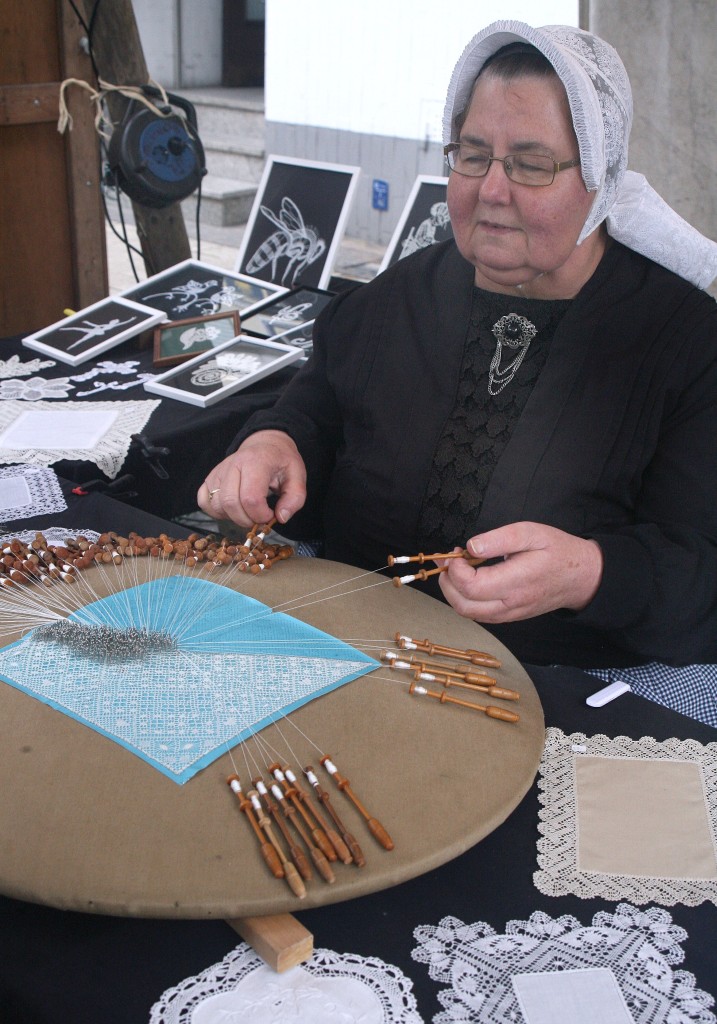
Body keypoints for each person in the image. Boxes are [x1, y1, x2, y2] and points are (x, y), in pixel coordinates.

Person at [199, 21, 717, 672]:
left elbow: (700, 575)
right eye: (472, 155)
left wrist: (589, 572)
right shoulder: (396, 299)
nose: (491, 191)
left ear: (599, 180)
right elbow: (312, 412)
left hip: (556, 687)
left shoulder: (687, 346)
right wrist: (271, 444)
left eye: (531, 164)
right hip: (344, 648)